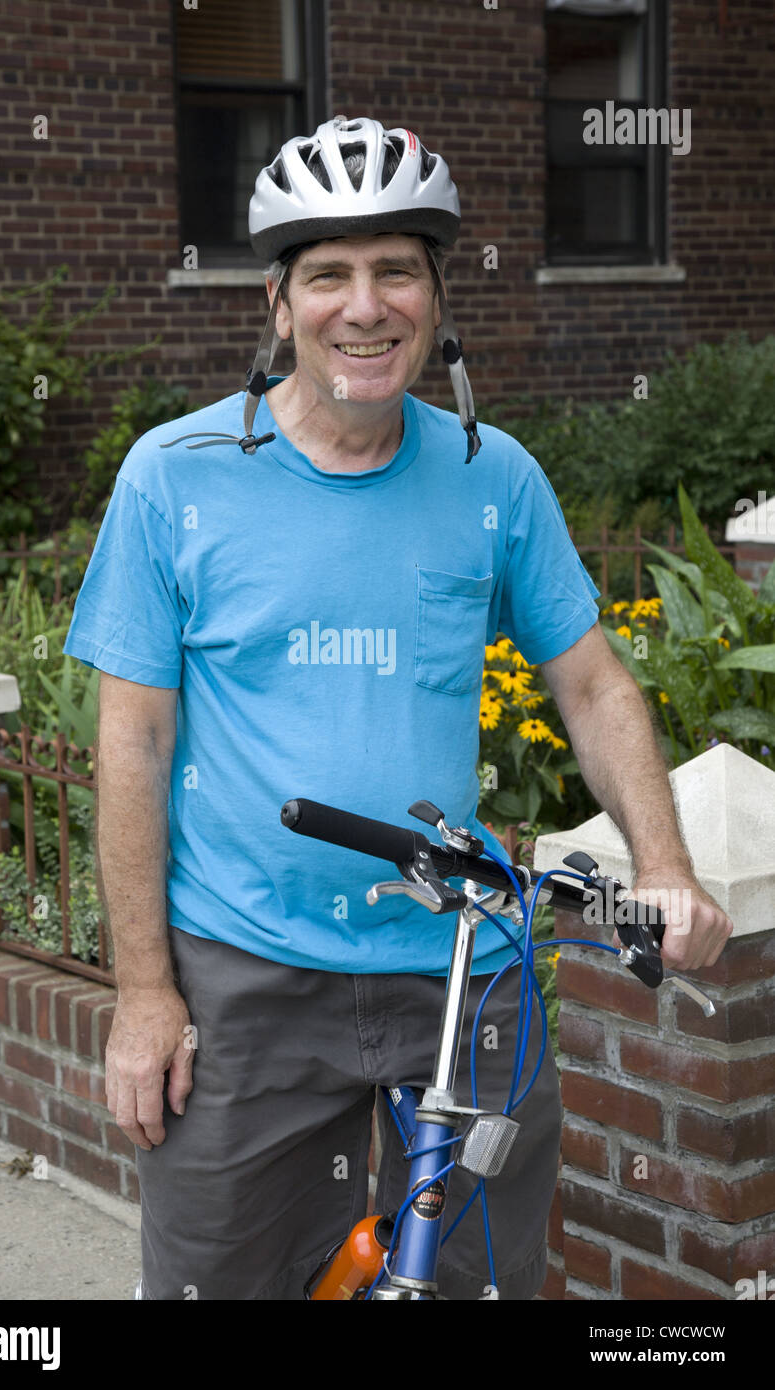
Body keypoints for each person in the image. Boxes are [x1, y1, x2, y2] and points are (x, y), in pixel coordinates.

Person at [63, 115, 732, 1301]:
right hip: (245, 969)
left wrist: (663, 860)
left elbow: (588, 680)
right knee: (222, 1281)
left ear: (434, 296)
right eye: (328, 273)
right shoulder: (176, 477)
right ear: (279, 303)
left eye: (394, 270)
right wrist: (144, 994)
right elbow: (134, 738)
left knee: (479, 1282)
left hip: (462, 962)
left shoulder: (492, 475)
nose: (362, 307)